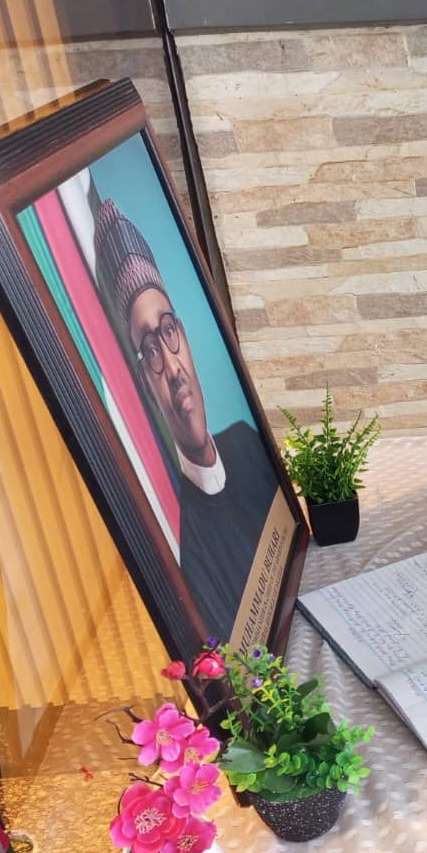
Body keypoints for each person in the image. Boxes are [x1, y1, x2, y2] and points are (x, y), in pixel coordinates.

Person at [94, 199, 277, 641]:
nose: (173, 369)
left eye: (169, 331)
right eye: (150, 350)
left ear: (187, 337)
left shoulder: (247, 444)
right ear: (142, 380)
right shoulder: (183, 545)